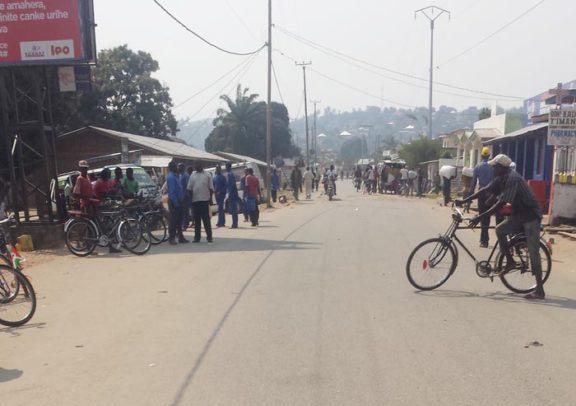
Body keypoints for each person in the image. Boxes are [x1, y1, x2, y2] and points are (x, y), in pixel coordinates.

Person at [459, 154, 545, 300]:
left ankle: (539, 290)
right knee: (500, 229)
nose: (492, 168)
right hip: (519, 214)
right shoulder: (501, 177)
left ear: (501, 167)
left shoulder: (513, 179)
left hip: (530, 217)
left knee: (533, 252)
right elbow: (484, 190)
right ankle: (510, 261)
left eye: (494, 166)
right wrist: (464, 200)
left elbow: (500, 204)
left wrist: (480, 217)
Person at [468, 147, 495, 248]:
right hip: (491, 194)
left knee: (482, 216)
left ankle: (484, 240)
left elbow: (473, 182)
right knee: (487, 217)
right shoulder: (493, 167)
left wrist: (470, 196)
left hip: (481, 194)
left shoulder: (477, 167)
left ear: (482, 155)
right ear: (489, 156)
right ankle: (485, 239)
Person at [187, 162, 214, 243]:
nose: (196, 166)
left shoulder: (207, 175)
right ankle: (197, 238)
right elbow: (189, 189)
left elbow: (211, 188)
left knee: (206, 220)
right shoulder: (192, 175)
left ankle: (209, 237)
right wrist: (191, 200)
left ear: (201, 166)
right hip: (195, 201)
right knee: (197, 220)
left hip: (205, 200)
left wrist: (211, 199)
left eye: (198, 165)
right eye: (196, 165)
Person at [166, 161, 188, 245]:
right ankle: (172, 238)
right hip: (174, 202)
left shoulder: (176, 176)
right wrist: (176, 203)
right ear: (172, 167)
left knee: (179, 220)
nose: (177, 168)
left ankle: (180, 237)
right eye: (176, 166)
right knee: (173, 221)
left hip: (179, 200)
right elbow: (172, 192)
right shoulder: (171, 177)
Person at [226, 162, 239, 228]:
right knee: (234, 209)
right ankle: (235, 223)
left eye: (226, 166)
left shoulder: (230, 174)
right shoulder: (231, 174)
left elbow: (232, 184)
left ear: (228, 167)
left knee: (233, 209)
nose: (226, 168)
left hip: (232, 194)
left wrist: (230, 193)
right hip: (233, 193)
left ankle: (234, 224)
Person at [179, 164, 191, 231]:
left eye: (180, 166)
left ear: (183, 167)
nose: (178, 168)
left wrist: (186, 195)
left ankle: (185, 225)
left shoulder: (185, 175)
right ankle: (184, 224)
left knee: (185, 211)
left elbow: (187, 186)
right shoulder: (180, 175)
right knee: (183, 211)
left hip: (185, 196)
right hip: (181, 196)